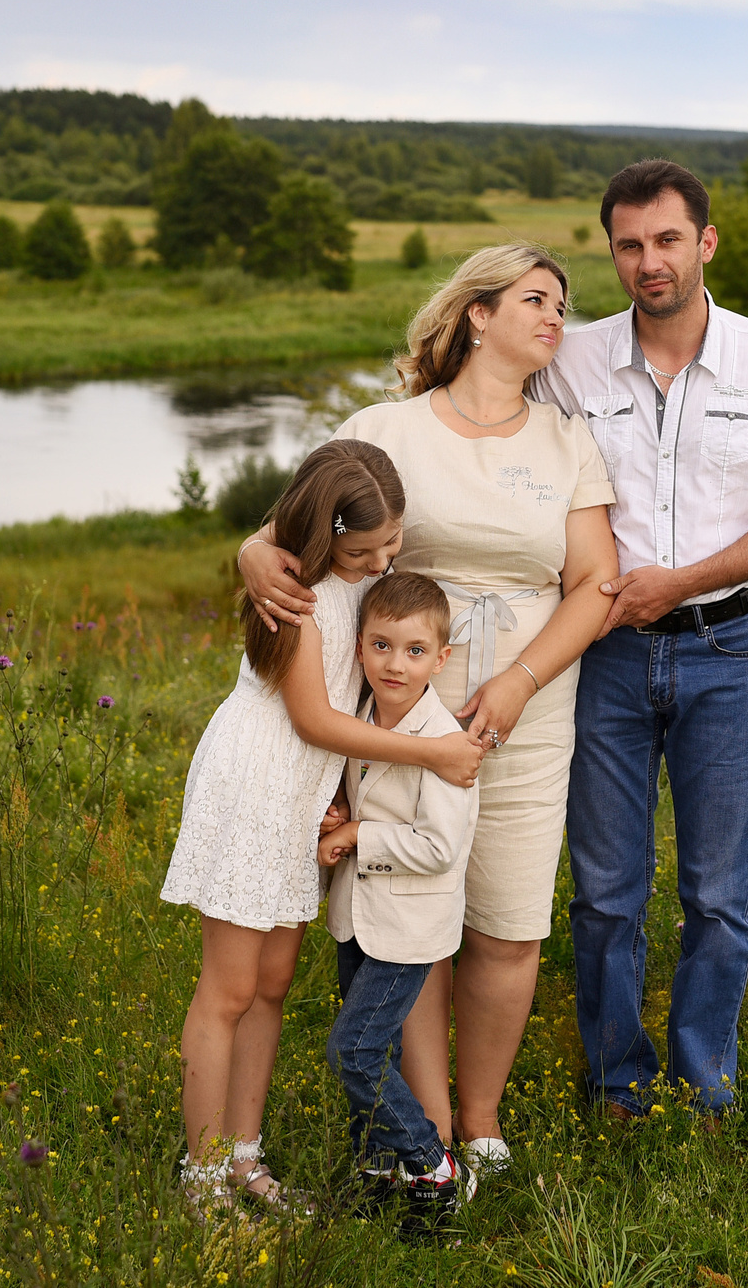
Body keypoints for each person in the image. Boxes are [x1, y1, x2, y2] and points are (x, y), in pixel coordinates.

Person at [239, 242, 618, 1173]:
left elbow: (597, 581)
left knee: (508, 917)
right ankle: (430, 1124)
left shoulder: (566, 436)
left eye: (563, 306)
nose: (556, 318)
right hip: (402, 711)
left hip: (525, 709)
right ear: (478, 313)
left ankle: (482, 1126)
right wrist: (253, 549)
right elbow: (304, 518)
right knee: (411, 908)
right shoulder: (393, 427)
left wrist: (521, 680)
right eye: (537, 298)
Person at [547, 158, 748, 1118]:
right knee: (605, 892)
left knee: (719, 894)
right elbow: (464, 422)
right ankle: (618, 1085)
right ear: (613, 252)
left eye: (668, 239)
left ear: (705, 243)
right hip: (605, 657)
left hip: (729, 653)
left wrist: (681, 581)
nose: (649, 262)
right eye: (629, 245)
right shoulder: (572, 361)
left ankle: (706, 1084)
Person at [159, 441, 487, 1213]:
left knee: (271, 984)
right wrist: (433, 751)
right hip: (255, 783)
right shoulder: (297, 593)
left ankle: (245, 1158)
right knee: (229, 989)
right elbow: (313, 718)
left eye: (393, 546)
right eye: (362, 549)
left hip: (302, 793)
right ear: (323, 533)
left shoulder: (344, 579)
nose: (380, 563)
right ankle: (202, 1181)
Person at [318, 572, 481, 1222]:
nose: (395, 663)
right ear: (361, 647)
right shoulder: (362, 716)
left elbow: (440, 844)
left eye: (415, 650)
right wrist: (339, 811)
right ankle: (376, 1167)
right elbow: (359, 782)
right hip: (357, 915)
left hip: (409, 926)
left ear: (441, 658)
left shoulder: (444, 741)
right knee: (375, 1051)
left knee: (353, 1051)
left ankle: (434, 1164)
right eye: (382, 645)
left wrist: (361, 832)